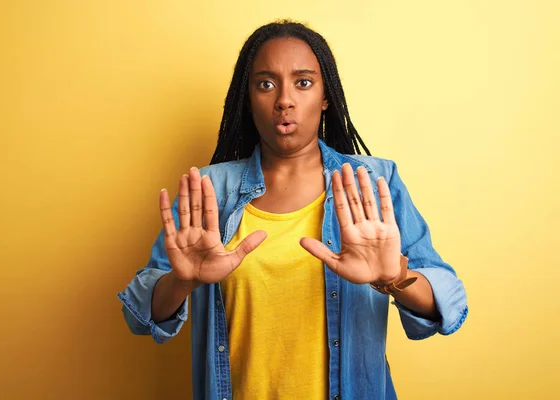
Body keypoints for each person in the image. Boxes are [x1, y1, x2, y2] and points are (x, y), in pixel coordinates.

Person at [118, 20, 468, 400]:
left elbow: (449, 299)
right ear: (247, 98)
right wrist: (183, 281)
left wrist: (394, 277)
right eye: (266, 84)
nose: (284, 99)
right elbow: (139, 313)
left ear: (325, 96)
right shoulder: (208, 192)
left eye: (303, 82)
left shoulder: (373, 182)